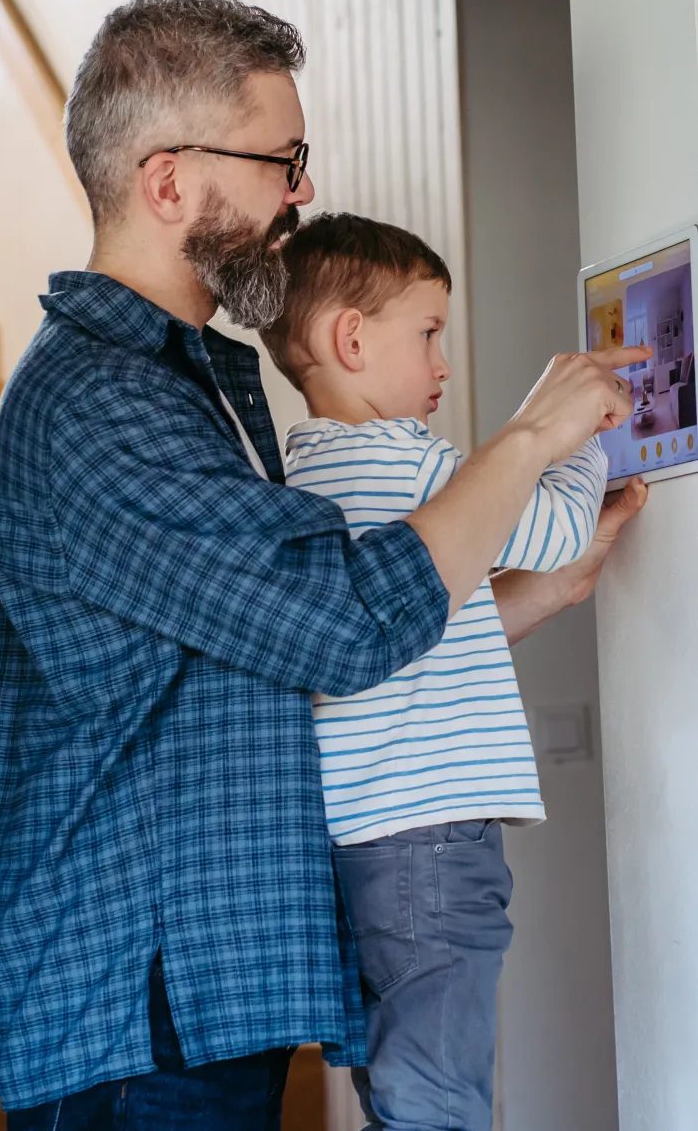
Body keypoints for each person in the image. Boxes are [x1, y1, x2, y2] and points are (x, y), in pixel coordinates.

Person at [0, 0, 648, 1130]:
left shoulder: (196, 387)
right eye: (280, 159)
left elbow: (274, 653)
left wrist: (531, 600)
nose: (300, 191)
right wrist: (533, 440)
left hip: (191, 993)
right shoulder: (102, 404)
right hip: (132, 1002)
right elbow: (342, 625)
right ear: (168, 182)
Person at [261, 210, 646, 1131]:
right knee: (438, 1103)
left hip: (357, 853)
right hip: (431, 847)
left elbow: (439, 625)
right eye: (428, 333)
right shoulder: (407, 464)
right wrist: (586, 436)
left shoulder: (300, 478)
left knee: (404, 1088)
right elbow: (549, 526)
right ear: (351, 337)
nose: (442, 363)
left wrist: (557, 585)